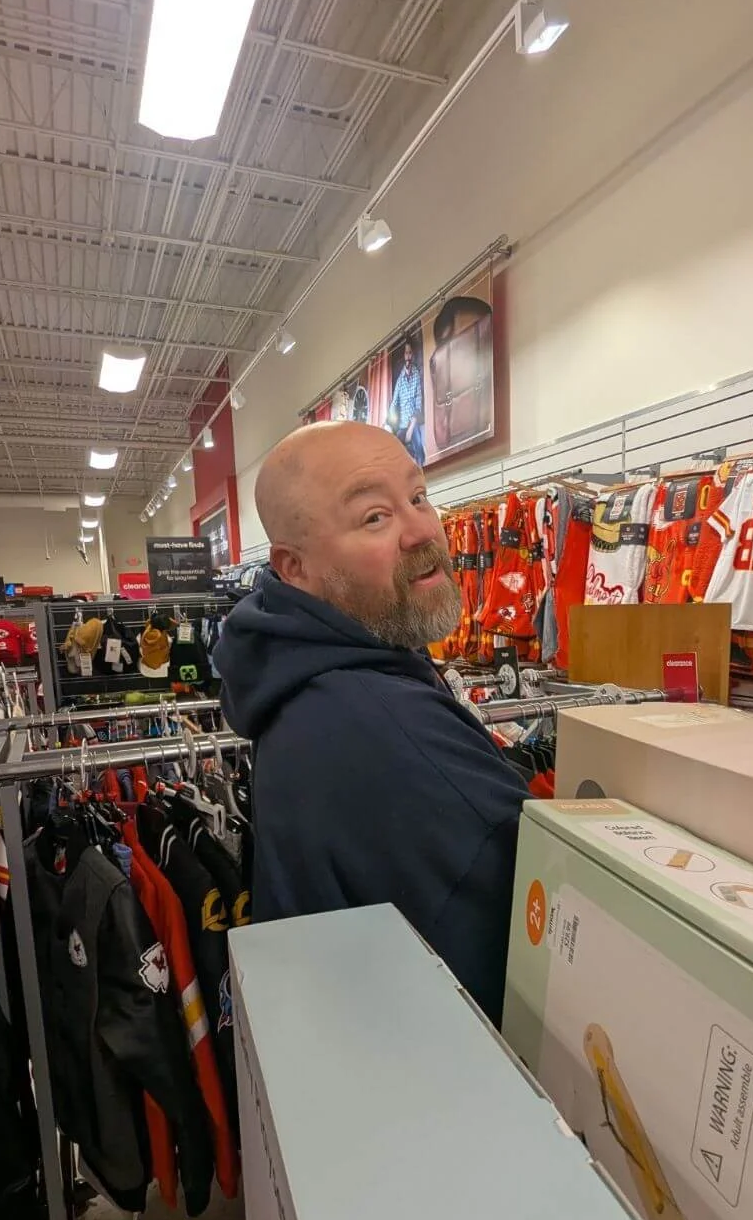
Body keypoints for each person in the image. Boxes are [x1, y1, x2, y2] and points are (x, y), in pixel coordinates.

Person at [214, 421, 528, 1025]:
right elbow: (555, 927)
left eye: (418, 497)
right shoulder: (383, 726)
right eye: (374, 518)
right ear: (295, 568)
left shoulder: (304, 682)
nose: (421, 531)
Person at [387, 338, 425, 466]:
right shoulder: (400, 379)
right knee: (394, 452)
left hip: (412, 423)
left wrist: (411, 428)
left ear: (413, 355)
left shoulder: (417, 375)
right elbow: (394, 402)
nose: (408, 356)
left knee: (419, 448)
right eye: (406, 353)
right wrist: (389, 422)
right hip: (402, 424)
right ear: (404, 355)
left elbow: (418, 403)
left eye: (410, 353)